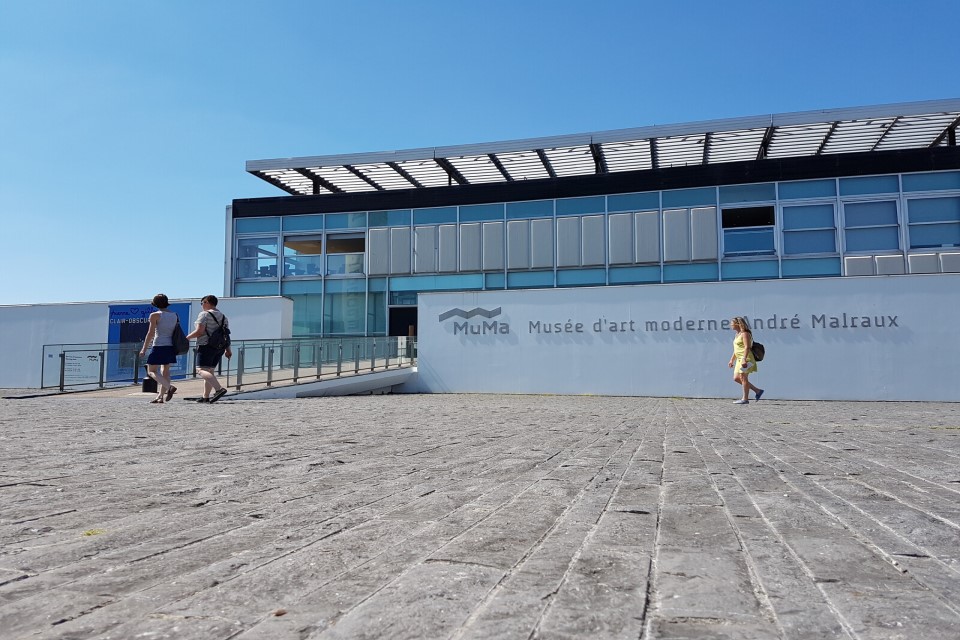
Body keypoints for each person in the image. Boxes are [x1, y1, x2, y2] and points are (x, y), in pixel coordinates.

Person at [186, 295, 232, 403]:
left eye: (202, 303)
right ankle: (205, 396)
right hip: (219, 348)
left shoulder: (204, 314)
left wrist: (187, 338)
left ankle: (219, 389)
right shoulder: (223, 317)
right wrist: (228, 350)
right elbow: (225, 335)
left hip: (205, 345)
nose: (202, 305)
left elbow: (199, 331)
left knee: (200, 370)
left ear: (207, 302)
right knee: (210, 371)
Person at [139, 293, 179, 404]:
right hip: (170, 345)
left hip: (159, 345)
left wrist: (144, 348)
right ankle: (160, 396)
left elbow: (150, 333)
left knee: (151, 371)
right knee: (165, 371)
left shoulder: (155, 315)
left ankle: (169, 387)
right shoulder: (174, 315)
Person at [728, 316, 764, 405]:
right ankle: (757, 391)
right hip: (739, 359)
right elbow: (736, 349)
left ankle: (745, 399)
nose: (731, 325)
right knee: (736, 378)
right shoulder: (737, 335)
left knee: (743, 378)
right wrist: (731, 360)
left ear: (737, 324)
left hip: (747, 359)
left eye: (732, 323)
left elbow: (747, 347)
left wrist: (744, 359)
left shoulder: (745, 334)